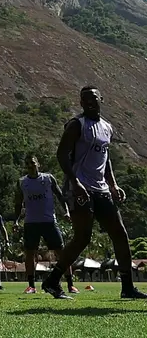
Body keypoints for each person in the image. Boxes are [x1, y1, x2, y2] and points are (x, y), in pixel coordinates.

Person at [41, 85, 147, 299]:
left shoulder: (107, 127)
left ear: (101, 100)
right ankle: (52, 280)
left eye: (93, 98)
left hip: (101, 188)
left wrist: (113, 185)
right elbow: (62, 155)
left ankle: (127, 287)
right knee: (82, 237)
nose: (89, 102)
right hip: (80, 187)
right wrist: (75, 182)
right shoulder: (76, 125)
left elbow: (105, 160)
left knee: (120, 233)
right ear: (80, 103)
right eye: (84, 99)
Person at [13, 155, 77, 294]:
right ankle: (31, 286)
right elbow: (18, 203)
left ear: (38, 164)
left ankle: (71, 285)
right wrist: (16, 220)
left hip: (49, 221)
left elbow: (60, 196)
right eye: (28, 163)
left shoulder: (48, 178)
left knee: (61, 252)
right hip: (31, 222)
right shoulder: (22, 182)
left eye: (33, 162)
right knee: (30, 254)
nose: (31, 165)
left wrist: (66, 212)